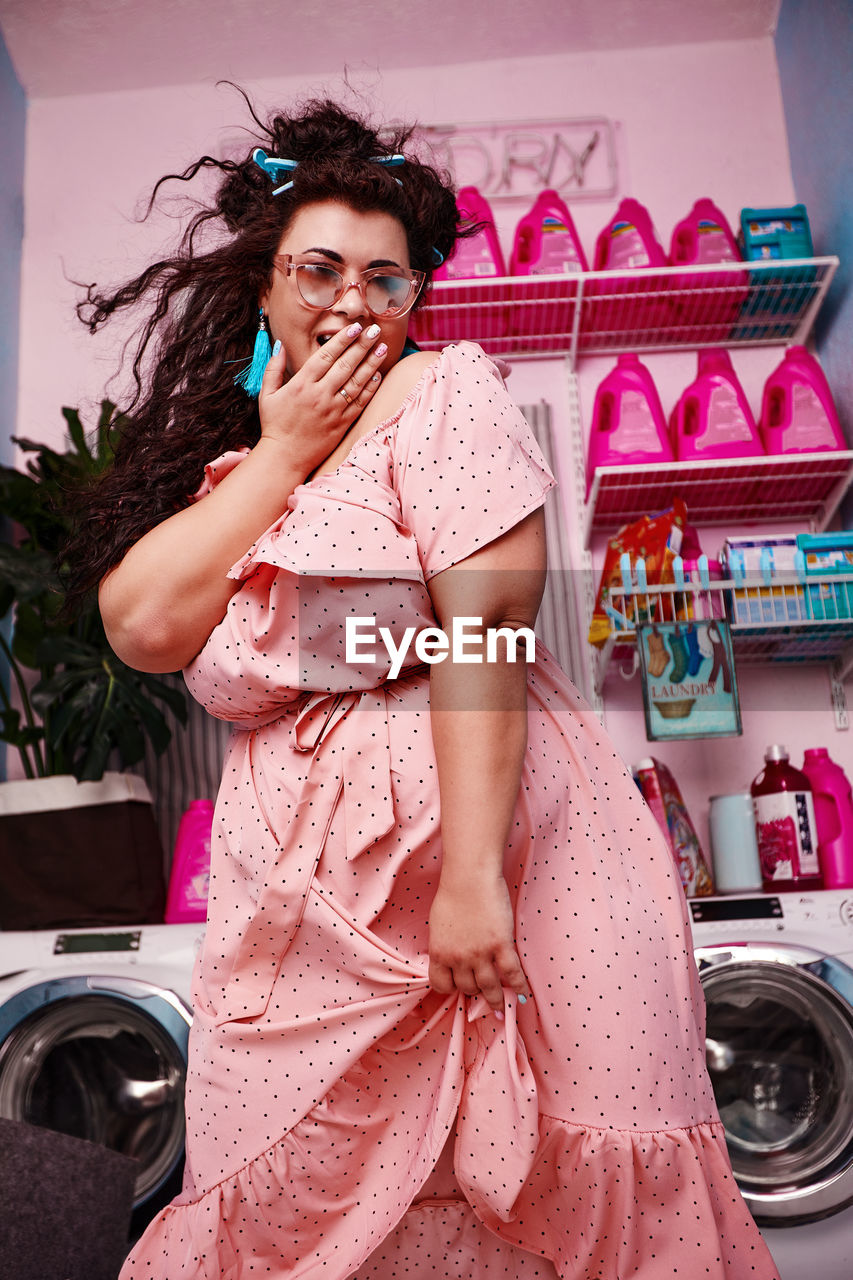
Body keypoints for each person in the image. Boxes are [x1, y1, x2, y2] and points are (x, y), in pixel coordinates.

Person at [67, 93, 780, 1279]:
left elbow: (490, 629)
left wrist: (470, 882)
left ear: (415, 298)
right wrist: (285, 451)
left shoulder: (444, 392)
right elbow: (141, 622)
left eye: (386, 279)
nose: (354, 299)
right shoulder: (237, 476)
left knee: (542, 1201)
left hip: (500, 869)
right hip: (305, 918)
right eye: (320, 268)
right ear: (262, 286)